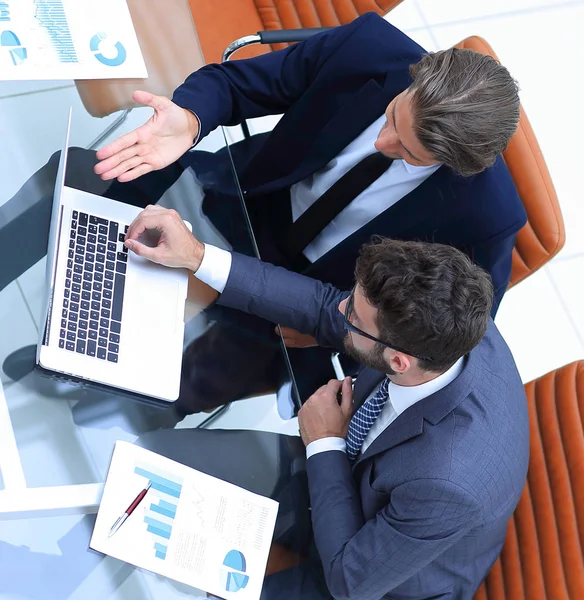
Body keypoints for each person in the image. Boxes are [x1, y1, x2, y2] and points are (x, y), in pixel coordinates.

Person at [96, 13, 527, 414]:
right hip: (241, 198)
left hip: (306, 296)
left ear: (455, 165)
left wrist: (350, 336)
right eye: (393, 115)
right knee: (97, 195)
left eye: (409, 154)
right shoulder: (369, 47)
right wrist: (190, 119)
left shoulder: (487, 219)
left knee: (177, 387)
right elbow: (239, 86)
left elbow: (440, 342)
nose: (383, 142)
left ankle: (103, 413)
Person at [123, 205, 530, 600]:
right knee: (141, 468)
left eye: (351, 313)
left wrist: (324, 442)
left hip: (375, 576)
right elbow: (323, 305)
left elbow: (348, 583)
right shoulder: (447, 321)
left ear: (399, 362)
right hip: (336, 476)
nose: (339, 308)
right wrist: (197, 256)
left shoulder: (449, 483)